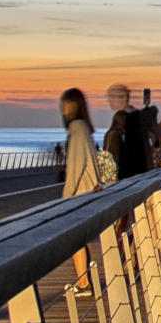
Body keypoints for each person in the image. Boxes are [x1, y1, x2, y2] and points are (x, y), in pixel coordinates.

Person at [59, 88, 99, 285]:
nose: (62, 109)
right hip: (89, 191)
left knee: (76, 240)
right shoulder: (84, 128)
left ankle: (83, 283)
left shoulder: (76, 128)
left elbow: (76, 166)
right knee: (81, 239)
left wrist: (65, 199)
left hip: (81, 193)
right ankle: (85, 280)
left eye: (65, 104)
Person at [104, 84, 148, 181]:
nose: (110, 100)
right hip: (132, 175)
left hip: (123, 176)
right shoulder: (137, 118)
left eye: (112, 97)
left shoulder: (119, 129)